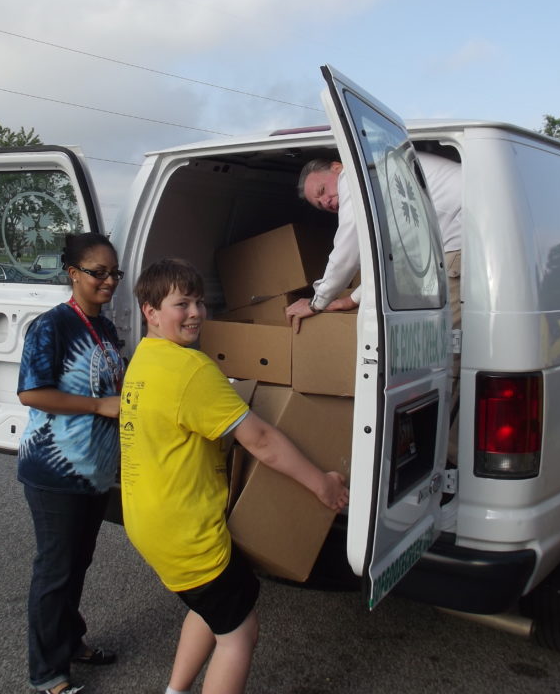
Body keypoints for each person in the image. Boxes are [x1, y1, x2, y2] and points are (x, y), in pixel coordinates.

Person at [120, 258, 349, 694]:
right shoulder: (190, 370)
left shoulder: (146, 360)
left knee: (212, 608)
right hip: (186, 533)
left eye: (199, 302)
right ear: (151, 311)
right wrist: (323, 485)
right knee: (239, 633)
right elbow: (260, 440)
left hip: (150, 522)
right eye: (181, 304)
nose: (195, 313)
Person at [16, 233, 126, 694]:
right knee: (56, 570)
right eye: (98, 272)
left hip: (93, 471)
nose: (108, 281)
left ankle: (70, 641)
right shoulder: (52, 326)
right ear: (73, 273)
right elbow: (30, 393)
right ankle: (47, 674)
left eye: (114, 273)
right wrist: (99, 406)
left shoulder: (106, 328)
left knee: (77, 563)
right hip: (53, 472)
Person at [284, 152, 463, 330]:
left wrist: (316, 303)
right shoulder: (380, 184)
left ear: (337, 168)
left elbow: (345, 254)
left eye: (322, 191)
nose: (325, 202)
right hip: (466, 234)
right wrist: (351, 300)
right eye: (320, 204)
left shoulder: (355, 177)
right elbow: (396, 263)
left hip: (461, 235)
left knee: (440, 336)